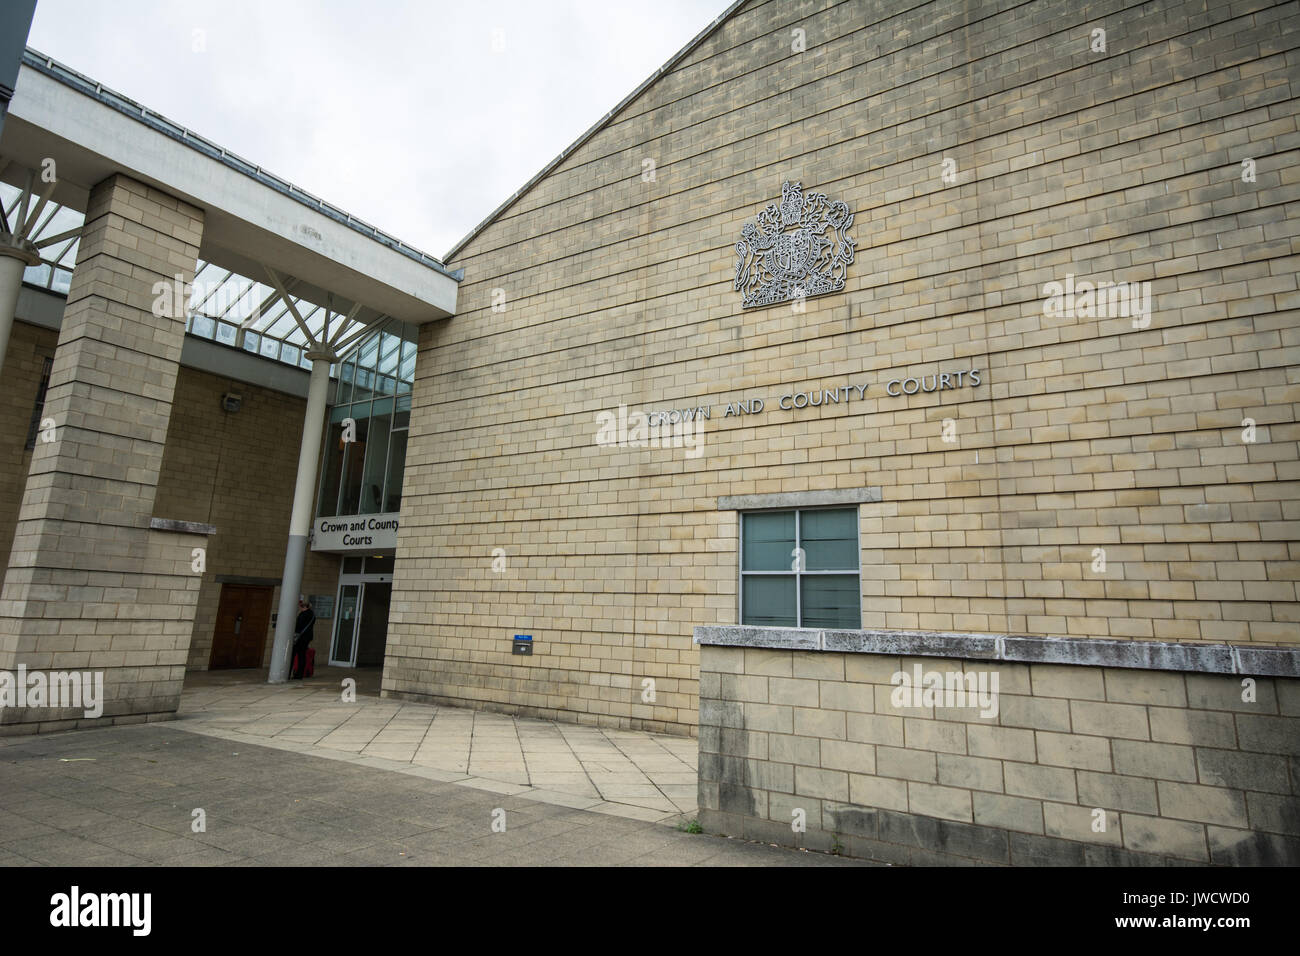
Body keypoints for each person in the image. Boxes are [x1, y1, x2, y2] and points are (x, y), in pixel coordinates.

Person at [290, 595, 316, 679]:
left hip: (300, 637)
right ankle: (300, 674)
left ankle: (290, 673)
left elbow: (298, 626)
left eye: (301, 606)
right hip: (306, 637)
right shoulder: (312, 614)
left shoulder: (303, 614)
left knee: (293, 655)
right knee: (302, 655)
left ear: (304, 606)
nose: (300, 607)